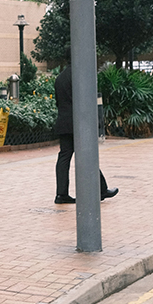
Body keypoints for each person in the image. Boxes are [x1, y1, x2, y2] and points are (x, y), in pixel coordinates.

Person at [53, 64, 118, 205]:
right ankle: (102, 189)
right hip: (79, 123)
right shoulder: (79, 75)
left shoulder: (60, 77)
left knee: (64, 157)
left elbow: (58, 102)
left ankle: (61, 194)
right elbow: (85, 100)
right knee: (88, 155)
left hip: (64, 121)